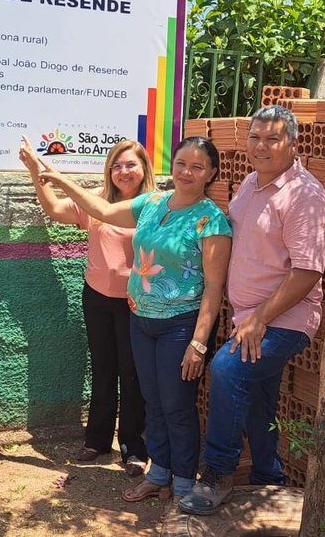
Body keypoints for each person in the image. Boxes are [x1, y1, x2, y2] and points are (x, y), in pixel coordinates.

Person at [37, 137, 232, 501]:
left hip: (180, 325)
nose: (187, 171)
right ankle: (158, 474)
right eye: (181, 163)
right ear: (171, 166)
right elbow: (104, 211)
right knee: (154, 405)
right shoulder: (152, 203)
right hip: (141, 320)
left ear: (211, 173)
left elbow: (214, 288)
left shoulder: (212, 220)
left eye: (197, 166)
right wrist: (61, 181)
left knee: (176, 406)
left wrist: (199, 342)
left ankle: (185, 483)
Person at [178, 105, 325, 516]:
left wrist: (259, 319)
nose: (261, 146)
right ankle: (268, 475)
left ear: (293, 143)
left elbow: (307, 273)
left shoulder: (304, 196)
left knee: (227, 371)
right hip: (248, 318)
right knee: (260, 397)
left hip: (285, 321)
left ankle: (217, 475)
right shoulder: (250, 183)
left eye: (272, 138)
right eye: (255, 137)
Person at [18, 135, 154, 475]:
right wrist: (36, 171)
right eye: (117, 165)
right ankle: (96, 440)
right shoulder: (95, 201)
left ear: (144, 168)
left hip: (135, 302)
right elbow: (54, 209)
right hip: (96, 296)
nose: (123, 171)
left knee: (132, 374)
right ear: (109, 170)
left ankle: (134, 448)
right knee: (104, 368)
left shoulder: (153, 205)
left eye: (130, 165)